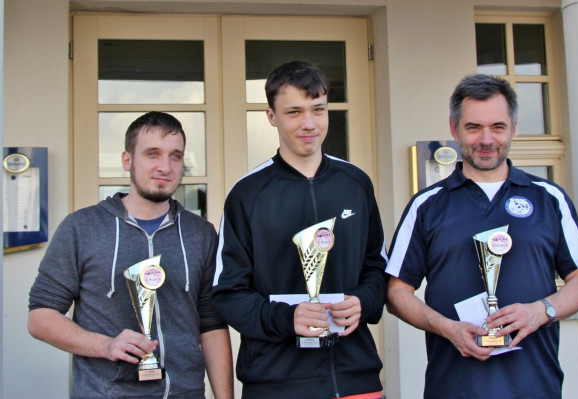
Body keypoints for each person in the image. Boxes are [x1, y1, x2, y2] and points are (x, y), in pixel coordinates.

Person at [386, 74, 578, 398]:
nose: (486, 139)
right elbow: (397, 292)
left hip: (535, 387)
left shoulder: (549, 198)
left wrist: (541, 310)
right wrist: (447, 328)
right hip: (453, 387)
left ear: (513, 127)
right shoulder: (426, 205)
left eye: (497, 127)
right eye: (473, 127)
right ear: (455, 129)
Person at [212, 60, 388, 399]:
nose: (309, 124)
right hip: (276, 383)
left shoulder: (356, 183)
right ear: (271, 116)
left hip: (355, 378)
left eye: (318, 109)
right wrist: (285, 318)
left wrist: (362, 302)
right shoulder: (247, 194)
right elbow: (228, 292)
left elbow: (377, 268)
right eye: (294, 112)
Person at [28, 111, 234, 399]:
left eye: (175, 156)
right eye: (153, 154)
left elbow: (211, 325)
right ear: (128, 160)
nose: (165, 166)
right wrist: (106, 346)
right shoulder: (82, 227)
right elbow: (40, 317)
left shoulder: (200, 233)